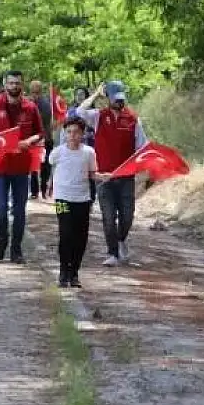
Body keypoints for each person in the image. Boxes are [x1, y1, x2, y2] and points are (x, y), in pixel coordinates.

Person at [73, 80, 148, 266]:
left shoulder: (133, 119)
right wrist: (95, 95)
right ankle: (113, 253)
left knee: (127, 215)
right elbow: (79, 112)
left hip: (126, 176)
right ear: (108, 98)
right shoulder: (98, 116)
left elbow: (143, 146)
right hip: (104, 176)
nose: (119, 103)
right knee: (108, 216)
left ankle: (121, 239)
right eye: (115, 99)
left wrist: (144, 166)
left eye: (121, 99)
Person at [0, 71, 45, 264]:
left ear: (22, 84)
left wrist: (29, 140)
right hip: (0, 167)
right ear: (5, 84)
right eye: (11, 83)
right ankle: (2, 240)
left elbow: (40, 133)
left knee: (19, 211)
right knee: (1, 209)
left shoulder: (30, 108)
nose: (14, 86)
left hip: (22, 166)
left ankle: (16, 249)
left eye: (17, 83)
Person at [50, 116, 98, 288]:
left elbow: (92, 174)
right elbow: (52, 166)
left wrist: (102, 176)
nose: (72, 135)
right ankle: (63, 272)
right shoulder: (58, 152)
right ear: (65, 133)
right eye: (69, 132)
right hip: (62, 198)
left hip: (82, 199)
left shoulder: (89, 153)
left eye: (76, 132)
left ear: (82, 134)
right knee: (65, 234)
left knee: (81, 237)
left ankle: (74, 272)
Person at [28, 80, 54, 200]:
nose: (34, 94)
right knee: (34, 165)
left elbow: (44, 120)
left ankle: (43, 190)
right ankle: (35, 191)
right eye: (32, 91)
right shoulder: (30, 102)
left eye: (35, 91)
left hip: (44, 138)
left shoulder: (44, 103)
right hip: (34, 138)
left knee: (45, 165)